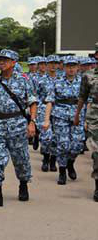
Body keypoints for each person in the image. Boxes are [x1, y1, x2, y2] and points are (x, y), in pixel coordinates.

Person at [0, 50, 39, 207]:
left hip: (18, 124)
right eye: (0, 59)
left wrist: (32, 122)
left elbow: (33, 102)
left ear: (14, 62)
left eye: (5, 60)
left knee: (20, 160)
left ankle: (23, 183)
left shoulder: (23, 81)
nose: (1, 62)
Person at [48, 56, 82, 185]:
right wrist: (46, 119)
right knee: (63, 144)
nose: (71, 68)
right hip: (60, 115)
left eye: (73, 66)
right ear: (64, 67)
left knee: (77, 145)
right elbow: (50, 101)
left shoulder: (83, 82)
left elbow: (88, 101)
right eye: (68, 66)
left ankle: (70, 163)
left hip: (77, 115)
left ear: (78, 67)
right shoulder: (57, 81)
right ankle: (62, 171)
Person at [76, 45, 98, 201]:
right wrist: (77, 115)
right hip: (95, 116)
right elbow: (82, 97)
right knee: (97, 153)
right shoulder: (88, 76)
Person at [38, 56, 58, 172]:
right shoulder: (41, 80)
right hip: (43, 108)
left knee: (56, 137)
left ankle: (53, 160)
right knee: (46, 137)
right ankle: (45, 158)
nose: (53, 65)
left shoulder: (61, 79)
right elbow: (35, 95)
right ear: (47, 64)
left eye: (55, 63)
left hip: (59, 110)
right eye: (51, 63)